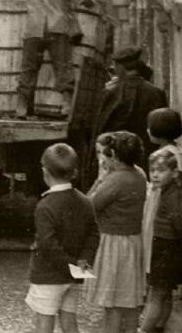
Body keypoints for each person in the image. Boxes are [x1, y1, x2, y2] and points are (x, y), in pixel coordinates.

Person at [25, 143, 99, 333]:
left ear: (45, 172)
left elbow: (48, 245)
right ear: (74, 172)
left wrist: (69, 266)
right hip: (74, 275)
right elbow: (93, 234)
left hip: (48, 275)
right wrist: (81, 263)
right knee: (69, 319)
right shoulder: (85, 201)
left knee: (44, 321)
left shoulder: (45, 206)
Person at [85, 131, 146, 333]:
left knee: (112, 304)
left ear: (113, 156)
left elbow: (89, 207)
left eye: (105, 154)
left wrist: (100, 179)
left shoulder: (114, 180)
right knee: (129, 302)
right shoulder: (139, 174)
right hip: (133, 242)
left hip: (113, 245)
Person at [15, 0, 96, 117]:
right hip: (57, 29)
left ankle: (22, 107)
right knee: (63, 67)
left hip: (33, 30)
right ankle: (66, 105)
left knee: (28, 68)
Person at [93, 47, 168, 173]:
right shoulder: (157, 93)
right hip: (148, 163)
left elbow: (98, 130)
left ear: (120, 67)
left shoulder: (110, 93)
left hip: (116, 164)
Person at [140, 148, 182, 333]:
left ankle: (145, 330)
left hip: (166, 247)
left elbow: (178, 221)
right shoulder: (168, 190)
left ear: (174, 173)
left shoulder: (172, 195)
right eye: (152, 170)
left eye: (161, 170)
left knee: (156, 294)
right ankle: (158, 327)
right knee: (164, 293)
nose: (155, 175)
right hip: (168, 247)